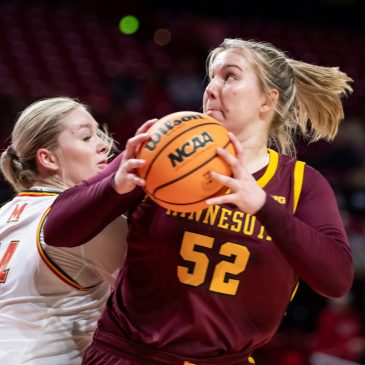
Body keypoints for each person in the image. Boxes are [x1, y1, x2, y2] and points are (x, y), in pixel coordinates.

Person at [43, 39, 354, 365]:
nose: (211, 88)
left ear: (267, 99)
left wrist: (264, 206)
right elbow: (56, 231)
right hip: (131, 356)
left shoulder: (301, 184)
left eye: (230, 76)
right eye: (212, 77)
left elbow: (336, 280)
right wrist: (113, 187)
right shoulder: (160, 150)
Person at [0, 97, 128, 365]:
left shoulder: (4, 215)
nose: (104, 145)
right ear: (47, 158)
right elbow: (159, 298)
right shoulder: (85, 222)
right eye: (86, 137)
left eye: (100, 133)